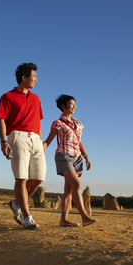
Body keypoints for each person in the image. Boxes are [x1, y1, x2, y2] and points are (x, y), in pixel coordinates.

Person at [0, 63, 46, 230]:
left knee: (38, 178)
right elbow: (2, 119)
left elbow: (38, 121)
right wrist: (4, 141)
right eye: (34, 76)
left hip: (36, 139)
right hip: (17, 136)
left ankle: (16, 203)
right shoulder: (7, 96)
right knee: (21, 178)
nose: (37, 79)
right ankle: (27, 217)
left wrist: (41, 141)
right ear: (24, 78)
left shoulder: (36, 98)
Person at [43, 94, 97, 227]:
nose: (74, 106)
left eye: (74, 104)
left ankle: (64, 220)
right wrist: (40, 148)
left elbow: (79, 141)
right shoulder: (58, 123)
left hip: (77, 157)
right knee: (77, 184)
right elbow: (48, 140)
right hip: (63, 155)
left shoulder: (78, 123)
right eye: (71, 104)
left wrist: (86, 156)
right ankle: (85, 217)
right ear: (63, 106)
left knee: (68, 190)